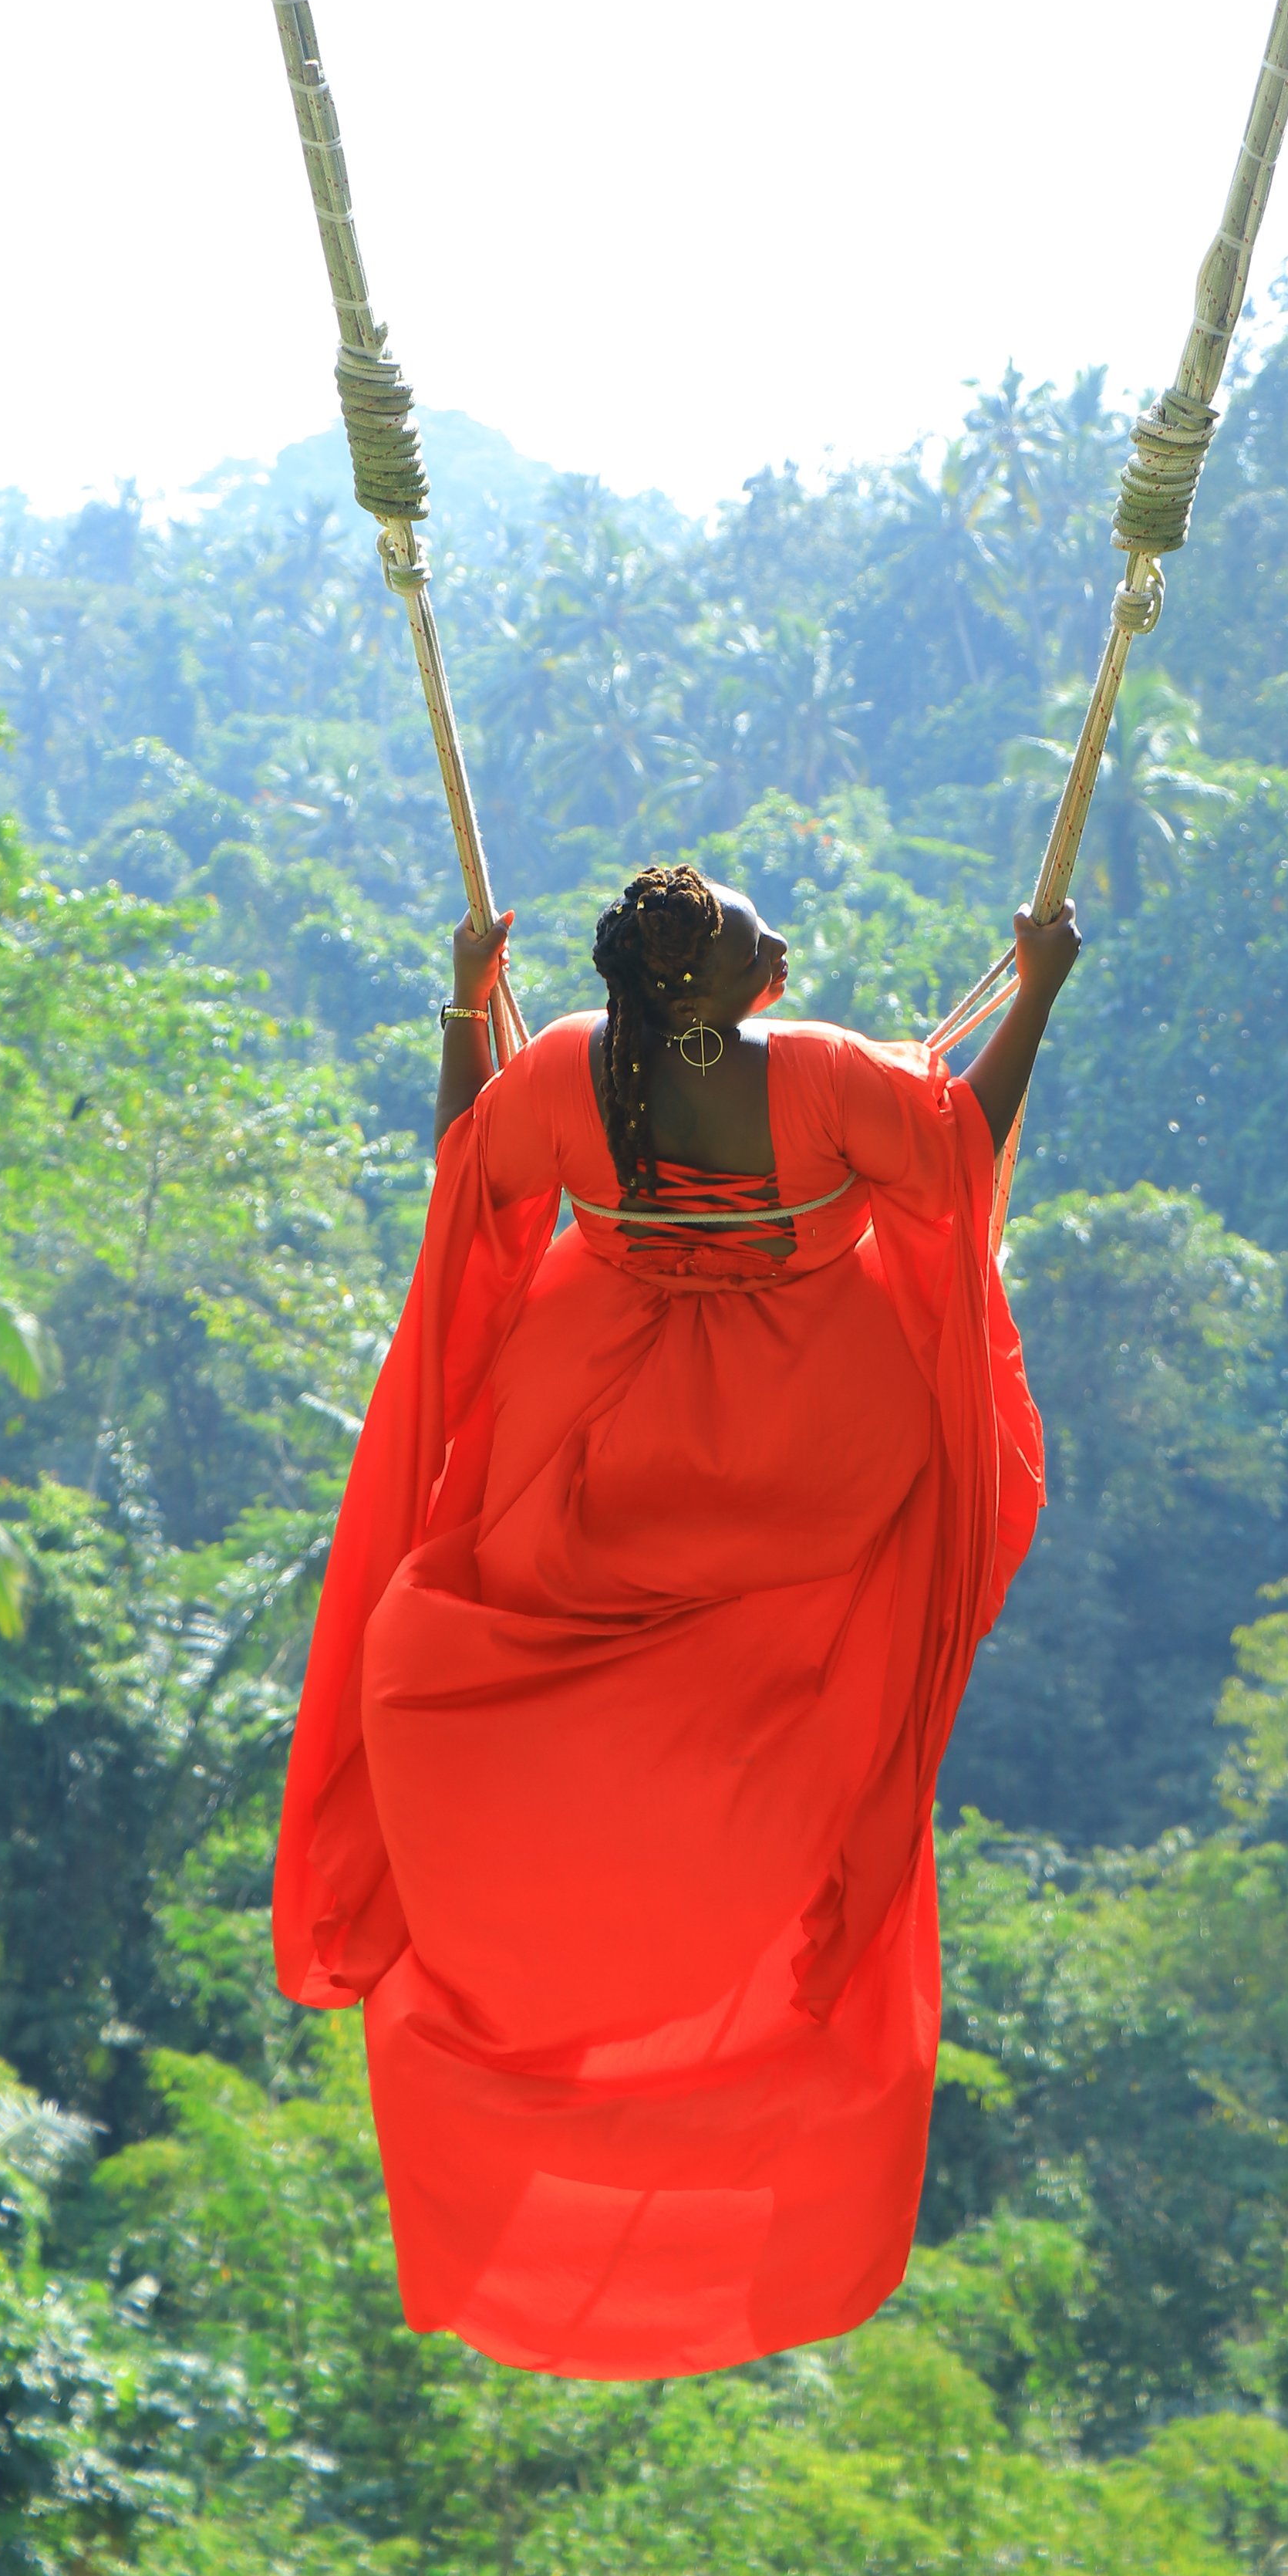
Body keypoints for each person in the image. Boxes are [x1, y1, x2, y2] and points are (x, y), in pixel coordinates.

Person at [274, 864, 1080, 2378]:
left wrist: (466, 1008)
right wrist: (1035, 992)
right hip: (804, 1445)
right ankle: (730, 1887)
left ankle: (588, 1906)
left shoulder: (570, 1072)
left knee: (459, 1646)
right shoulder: (822, 1078)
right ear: (707, 997)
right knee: (786, 1677)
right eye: (753, 933)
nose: (781, 939)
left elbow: (467, 1171)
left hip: (600, 1432)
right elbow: (958, 1156)